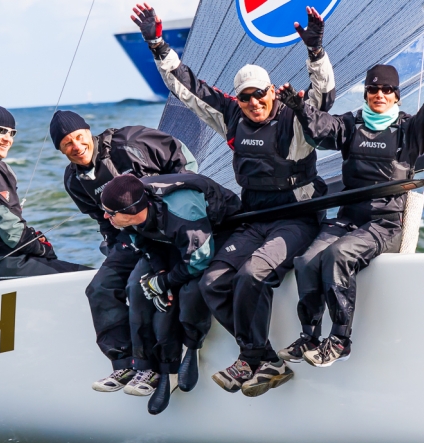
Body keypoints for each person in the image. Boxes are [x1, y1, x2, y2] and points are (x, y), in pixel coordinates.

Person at [131, 4, 335, 397]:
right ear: (238, 100)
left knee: (252, 274)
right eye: (246, 98)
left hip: (297, 218)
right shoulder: (231, 117)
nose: (254, 103)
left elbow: (322, 99)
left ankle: (252, 357)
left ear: (272, 92)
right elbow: (188, 88)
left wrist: (316, 53)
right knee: (212, 282)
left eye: (260, 95)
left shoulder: (294, 118)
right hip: (254, 217)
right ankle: (262, 358)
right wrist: (157, 44)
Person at [276, 48, 424, 366]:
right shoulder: (351, 125)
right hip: (348, 218)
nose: (379, 94)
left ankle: (341, 340)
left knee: (337, 255)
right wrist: (298, 106)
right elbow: (321, 128)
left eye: (387, 90)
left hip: (384, 225)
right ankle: (309, 336)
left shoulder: (411, 131)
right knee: (305, 261)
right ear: (366, 93)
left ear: (397, 95)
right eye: (373, 89)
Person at [49, 110, 198, 393]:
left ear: (88, 132)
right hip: (130, 238)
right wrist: (113, 251)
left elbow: (182, 156)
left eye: (79, 137)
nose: (76, 146)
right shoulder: (74, 180)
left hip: (169, 228)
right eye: (67, 144)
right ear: (60, 149)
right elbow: (101, 219)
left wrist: (185, 202)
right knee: (100, 288)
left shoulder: (128, 141)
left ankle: (152, 367)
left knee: (137, 286)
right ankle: (124, 364)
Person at [99, 173, 242, 414]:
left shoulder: (182, 210)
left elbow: (199, 261)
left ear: (131, 211)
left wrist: (165, 281)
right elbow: (145, 243)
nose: (105, 217)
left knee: (189, 290)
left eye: (110, 213)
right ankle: (152, 367)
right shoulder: (129, 212)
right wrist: (159, 273)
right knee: (139, 288)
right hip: (172, 239)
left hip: (216, 233)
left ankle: (192, 348)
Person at [0, 105, 90, 284]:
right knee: (89, 278)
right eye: (1, 131)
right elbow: (9, 228)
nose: (8, 139)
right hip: (0, 264)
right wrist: (40, 247)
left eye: (12, 133)